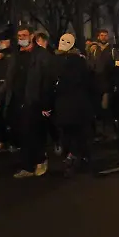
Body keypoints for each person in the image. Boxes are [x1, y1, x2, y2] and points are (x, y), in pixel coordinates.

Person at [0, 26, 51, 178]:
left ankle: (40, 160)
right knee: (22, 133)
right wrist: (0, 96)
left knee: (34, 133)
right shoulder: (16, 55)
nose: (21, 38)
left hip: (34, 100)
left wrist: (45, 103)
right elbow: (9, 79)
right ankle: (27, 165)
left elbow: (47, 80)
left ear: (32, 36)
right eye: (19, 35)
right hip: (17, 100)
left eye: (24, 35)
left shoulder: (41, 55)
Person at [47, 34, 94, 175]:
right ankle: (74, 155)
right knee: (68, 131)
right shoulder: (56, 60)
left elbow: (86, 81)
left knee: (75, 131)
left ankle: (74, 156)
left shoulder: (77, 61)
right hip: (64, 102)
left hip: (75, 102)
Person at [0, 29, 17, 152]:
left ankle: (12, 141)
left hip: (7, 92)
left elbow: (8, 78)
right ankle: (3, 140)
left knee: (9, 118)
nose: (0, 44)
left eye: (1, 41)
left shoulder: (12, 56)